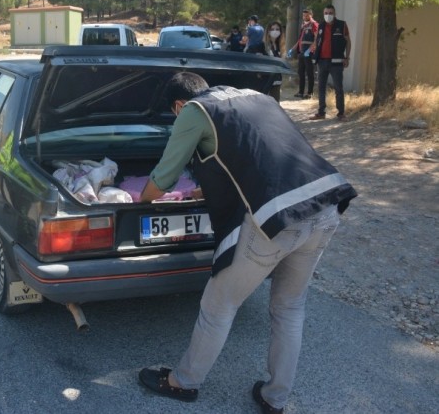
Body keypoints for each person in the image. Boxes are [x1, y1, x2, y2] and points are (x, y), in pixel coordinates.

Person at [137, 72, 357, 413]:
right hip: (325, 203)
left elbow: (163, 179)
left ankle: (183, 382)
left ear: (178, 105)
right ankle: (275, 398)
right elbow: (260, 157)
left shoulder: (194, 111)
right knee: (289, 307)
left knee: (218, 305)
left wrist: (140, 200)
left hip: (277, 219)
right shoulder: (256, 97)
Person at [309, 4, 352, 121]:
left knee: (338, 88)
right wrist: (313, 52)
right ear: (324, 14)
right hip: (322, 62)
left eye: (330, 13)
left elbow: (348, 42)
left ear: (335, 14)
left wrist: (347, 57)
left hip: (336, 63)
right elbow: (317, 40)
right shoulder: (321, 26)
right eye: (326, 13)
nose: (328, 15)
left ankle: (341, 113)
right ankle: (321, 112)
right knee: (321, 87)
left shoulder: (342, 25)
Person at [290, 9, 318, 99]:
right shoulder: (304, 25)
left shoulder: (314, 24)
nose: (305, 17)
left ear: (311, 15)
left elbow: (317, 39)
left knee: (310, 73)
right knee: (301, 73)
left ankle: (310, 92)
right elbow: (300, 40)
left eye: (307, 15)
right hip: (302, 52)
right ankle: (301, 92)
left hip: (309, 53)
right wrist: (293, 49)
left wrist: (310, 50)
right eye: (303, 15)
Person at [264, 21, 286, 102]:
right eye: (272, 29)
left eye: (277, 29)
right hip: (265, 80)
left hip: (276, 79)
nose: (275, 31)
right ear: (268, 31)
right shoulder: (263, 45)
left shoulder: (280, 46)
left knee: (275, 104)